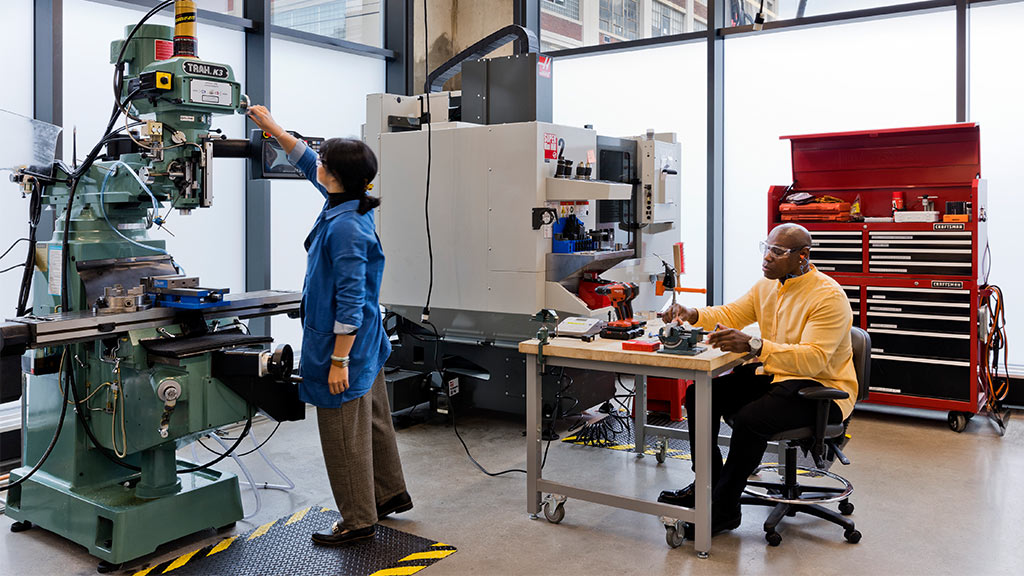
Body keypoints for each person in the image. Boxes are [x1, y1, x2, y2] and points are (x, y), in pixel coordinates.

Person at [247, 105, 412, 546]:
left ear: (334, 175)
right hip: (367, 344)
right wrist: (273, 129)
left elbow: (351, 302)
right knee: (374, 420)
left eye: (323, 162)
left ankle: (358, 520)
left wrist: (338, 360)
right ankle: (388, 493)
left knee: (342, 436)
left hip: (345, 345)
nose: (315, 165)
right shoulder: (348, 202)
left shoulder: (347, 229)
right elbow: (305, 162)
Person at [658, 223, 857, 538]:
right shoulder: (769, 286)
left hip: (822, 390)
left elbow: (813, 359)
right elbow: (733, 314)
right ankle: (707, 485)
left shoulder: (828, 296)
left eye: (777, 252)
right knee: (701, 395)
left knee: (751, 419)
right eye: (766, 248)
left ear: (803, 256)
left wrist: (754, 346)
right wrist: (692, 313)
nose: (767, 257)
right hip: (778, 374)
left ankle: (723, 510)